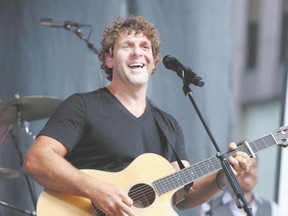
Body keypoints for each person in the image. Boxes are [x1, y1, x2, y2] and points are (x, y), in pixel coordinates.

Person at [23, 15, 251, 216]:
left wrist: (222, 176)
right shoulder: (82, 106)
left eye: (145, 46)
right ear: (109, 59)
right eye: (127, 46)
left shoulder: (167, 125)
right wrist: (95, 189)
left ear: (153, 62)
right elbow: (37, 160)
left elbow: (184, 196)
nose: (137, 52)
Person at [197, 157, 280, 216]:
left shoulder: (273, 209)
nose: (249, 171)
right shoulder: (208, 208)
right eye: (243, 166)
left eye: (253, 166)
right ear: (231, 170)